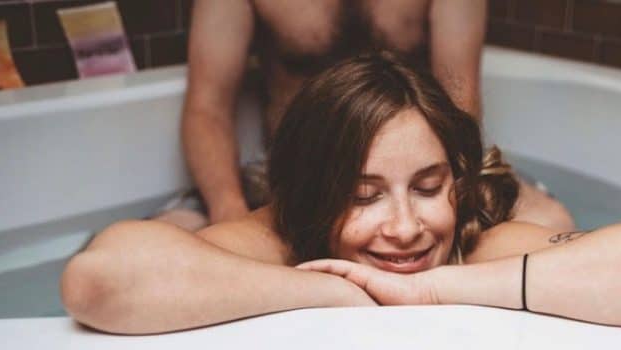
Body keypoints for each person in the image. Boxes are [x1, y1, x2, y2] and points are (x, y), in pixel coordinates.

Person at [61, 53, 621, 334]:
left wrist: (429, 288)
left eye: (428, 188)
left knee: (548, 215)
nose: (404, 228)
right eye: (363, 195)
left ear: (455, 182)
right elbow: (99, 282)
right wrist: (332, 289)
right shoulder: (276, 239)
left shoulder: (473, 242)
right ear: (316, 197)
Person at [162, 0, 575, 233]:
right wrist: (230, 212)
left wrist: (450, 204)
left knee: (552, 224)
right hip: (288, 179)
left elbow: (458, 99)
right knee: (165, 244)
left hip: (412, 175)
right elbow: (207, 108)